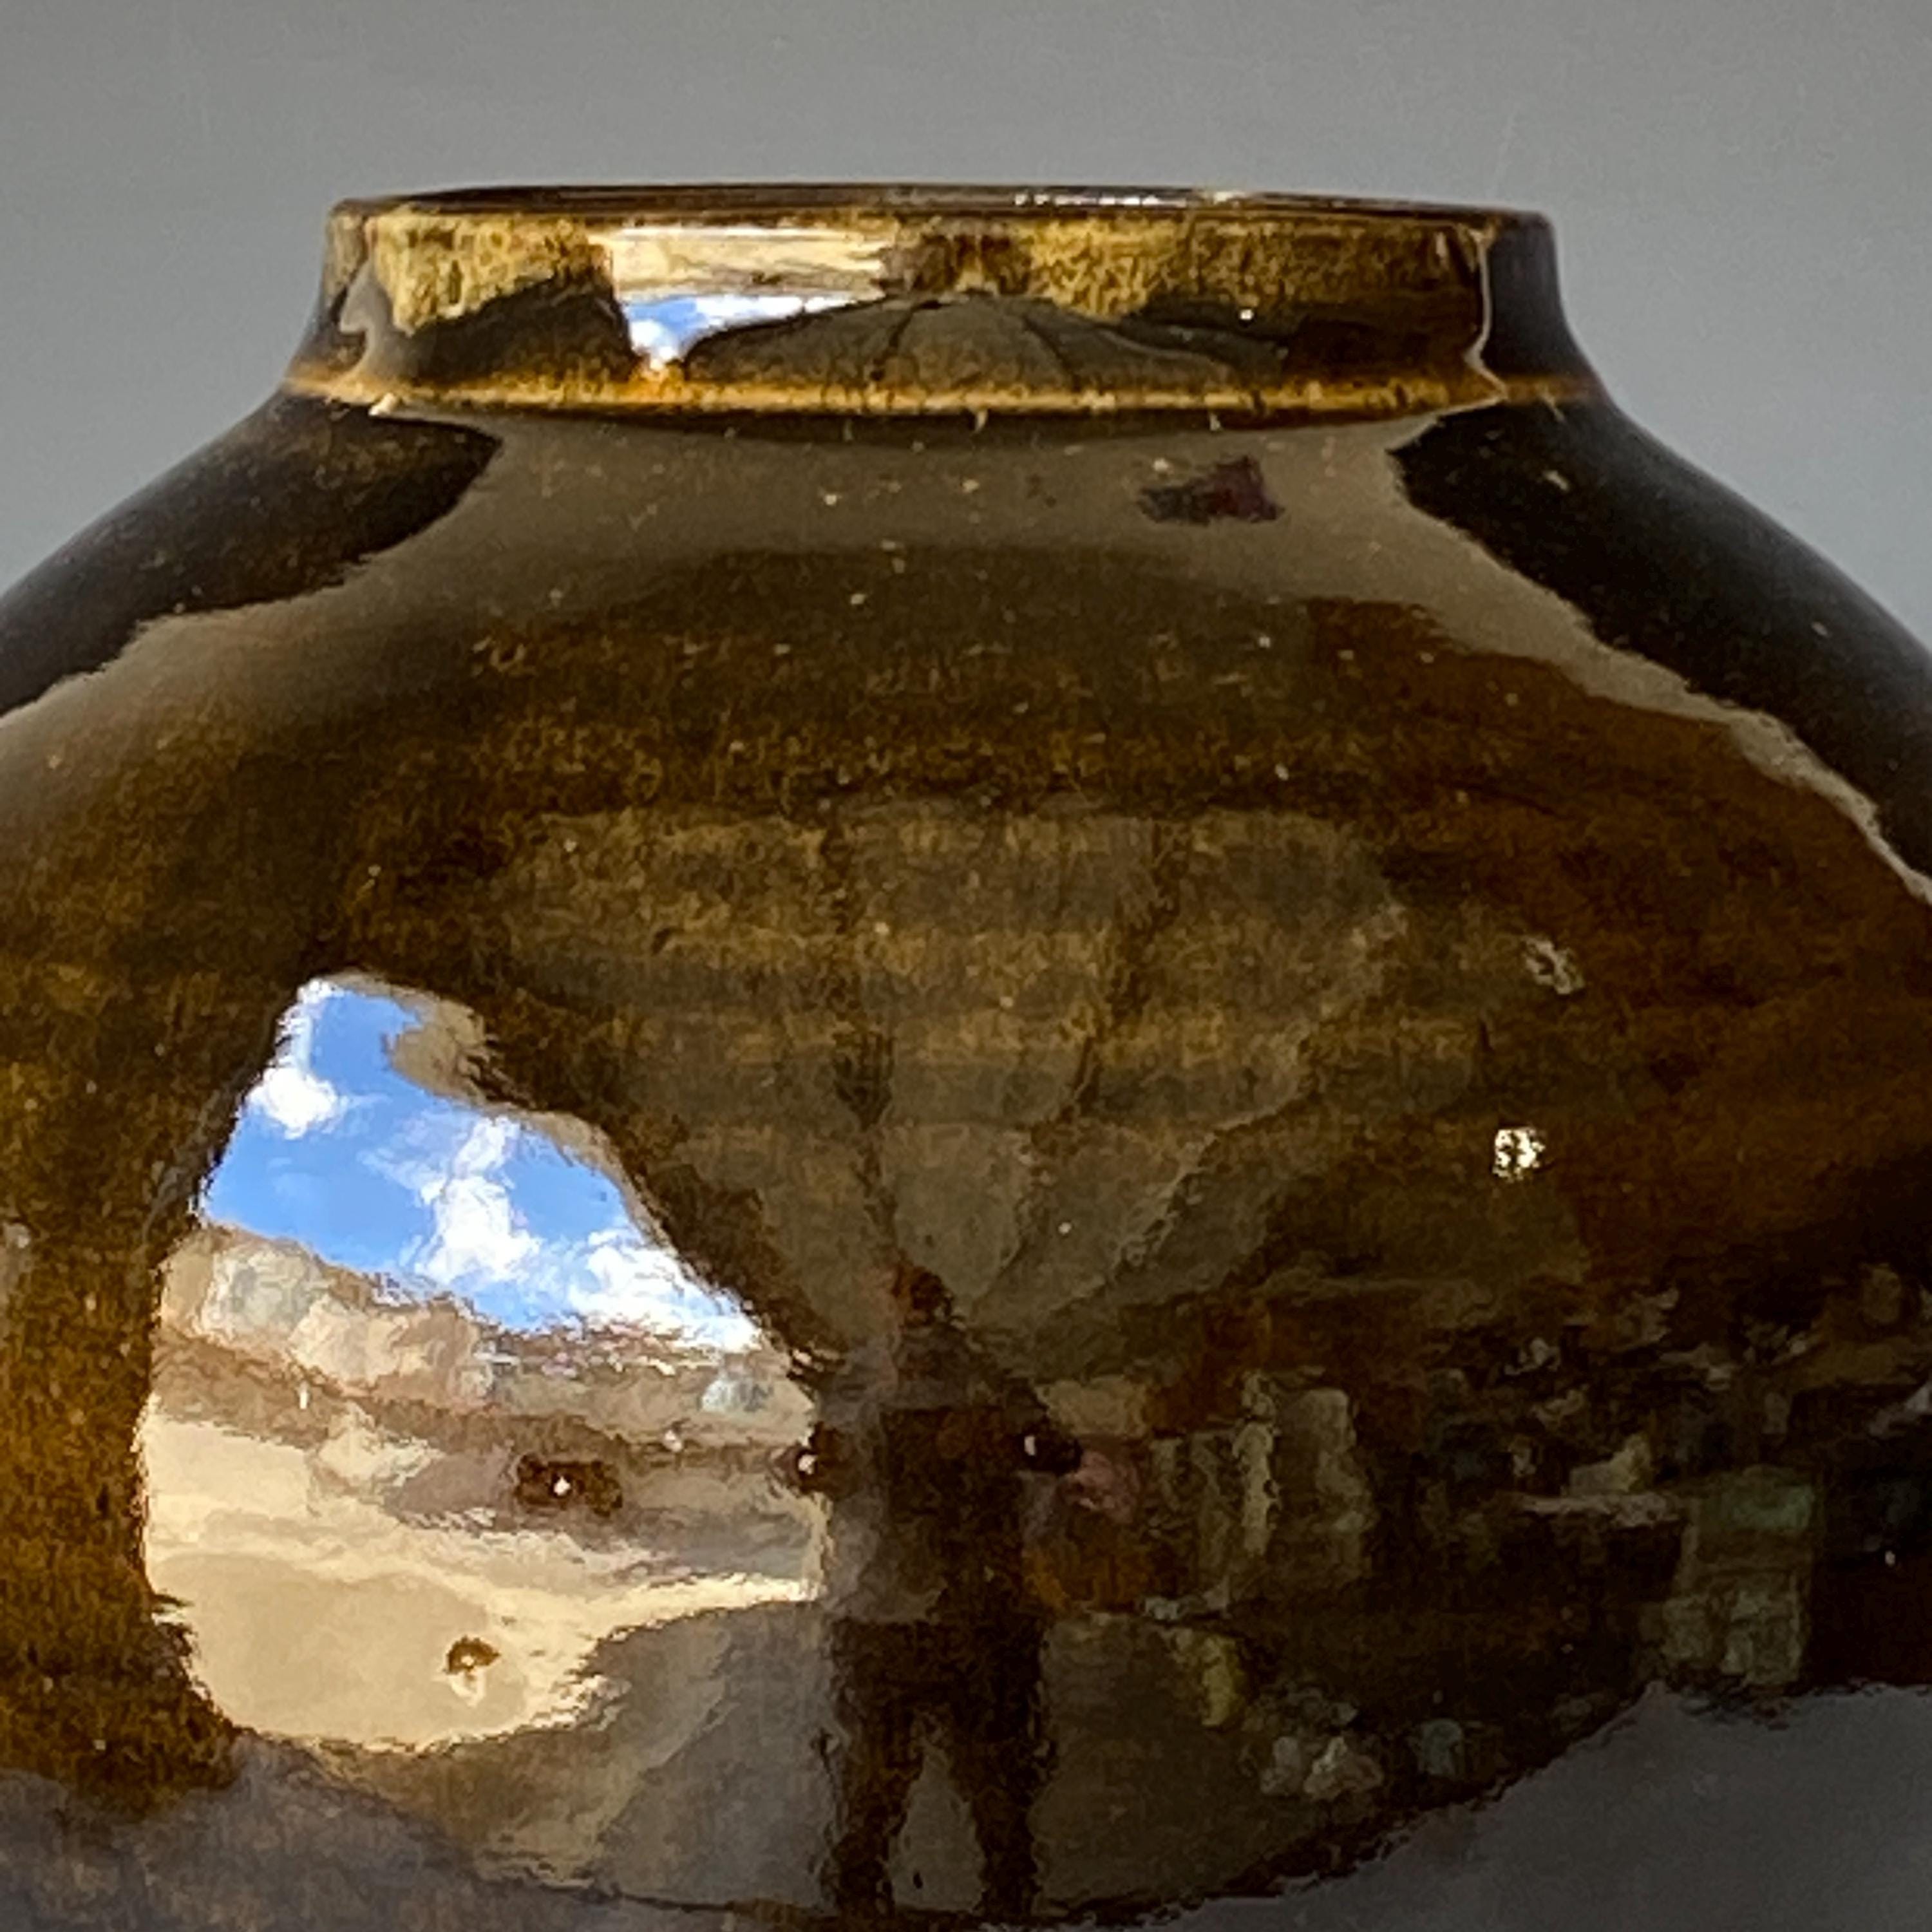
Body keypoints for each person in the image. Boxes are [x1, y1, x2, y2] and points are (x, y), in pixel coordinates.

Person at [788, 1260, 1081, 1922]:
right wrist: (815, 1467)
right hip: (891, 1611)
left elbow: (1055, 1453)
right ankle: (863, 1899)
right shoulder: (861, 1382)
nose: (915, 1310)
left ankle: (1000, 1901)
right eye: (902, 1294)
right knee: (879, 1777)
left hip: (972, 1611)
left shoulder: (984, 1379)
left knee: (990, 1780)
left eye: (923, 1294)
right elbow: (813, 1463)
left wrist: (1003, 1445)